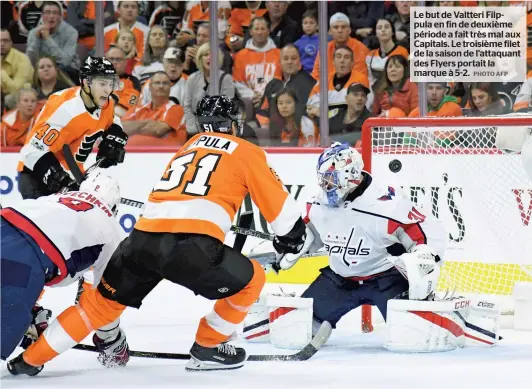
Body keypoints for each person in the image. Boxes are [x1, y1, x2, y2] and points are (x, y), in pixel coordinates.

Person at [11, 95, 313, 375]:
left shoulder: (188, 147)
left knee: (96, 307)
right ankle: (208, 346)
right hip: (191, 246)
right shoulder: (247, 151)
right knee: (253, 281)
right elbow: (282, 211)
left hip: (140, 240)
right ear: (233, 124)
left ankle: (28, 361)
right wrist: (293, 238)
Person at [299, 142, 446, 338]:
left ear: (350, 174)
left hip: (386, 279)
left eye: (331, 179)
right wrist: (293, 243)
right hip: (339, 280)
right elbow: (309, 236)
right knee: (297, 329)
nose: (326, 186)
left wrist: (423, 257)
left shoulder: (386, 204)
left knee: (414, 336)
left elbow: (424, 234)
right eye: (324, 179)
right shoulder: (317, 203)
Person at [3, 169, 127, 374]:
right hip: (30, 258)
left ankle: (28, 318)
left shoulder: (55, 198)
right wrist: (112, 339)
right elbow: (102, 302)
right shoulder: (112, 231)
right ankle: (29, 357)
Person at [17, 56, 129, 200]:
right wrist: (56, 176)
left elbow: (113, 121)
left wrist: (114, 138)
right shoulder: (65, 110)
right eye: (102, 83)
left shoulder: (105, 103)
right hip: (36, 176)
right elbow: (31, 151)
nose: (107, 90)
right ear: (85, 83)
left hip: (74, 176)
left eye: (110, 83)